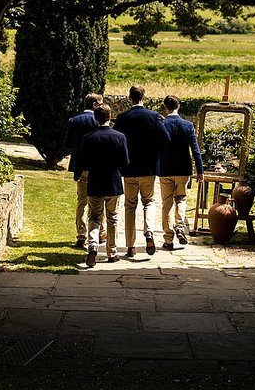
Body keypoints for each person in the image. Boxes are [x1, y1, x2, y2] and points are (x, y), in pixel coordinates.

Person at [112, 84, 170, 257]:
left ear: (130, 98)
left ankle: (130, 245)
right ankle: (149, 231)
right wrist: (155, 151)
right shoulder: (154, 117)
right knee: (149, 201)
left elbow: (115, 140)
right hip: (149, 168)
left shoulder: (122, 118)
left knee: (130, 206)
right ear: (144, 97)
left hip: (129, 168)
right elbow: (166, 139)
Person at [73, 104, 129, 267]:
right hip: (113, 182)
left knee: (94, 217)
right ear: (110, 117)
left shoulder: (89, 137)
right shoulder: (120, 137)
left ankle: (92, 246)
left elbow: (81, 161)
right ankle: (112, 252)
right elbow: (125, 161)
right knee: (112, 218)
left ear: (95, 119)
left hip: (95, 182)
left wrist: (77, 176)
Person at [158, 95, 204, 250]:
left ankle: (168, 238)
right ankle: (179, 226)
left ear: (166, 107)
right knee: (181, 199)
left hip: (165, 169)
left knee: (167, 203)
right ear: (179, 106)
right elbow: (195, 150)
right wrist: (200, 170)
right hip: (183, 169)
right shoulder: (187, 125)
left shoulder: (161, 124)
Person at [64, 93, 106, 248]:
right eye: (100, 103)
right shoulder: (99, 121)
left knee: (82, 201)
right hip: (97, 167)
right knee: (97, 201)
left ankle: (81, 235)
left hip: (80, 167)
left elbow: (67, 144)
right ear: (95, 104)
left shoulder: (74, 121)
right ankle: (99, 232)